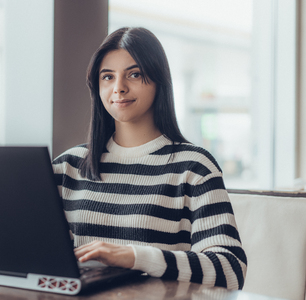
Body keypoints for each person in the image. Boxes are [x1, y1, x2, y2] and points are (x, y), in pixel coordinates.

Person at [52, 27, 247, 290]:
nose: (118, 88)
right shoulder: (67, 167)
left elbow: (231, 270)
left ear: (159, 81)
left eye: (134, 74)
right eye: (107, 77)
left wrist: (135, 257)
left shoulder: (194, 167)